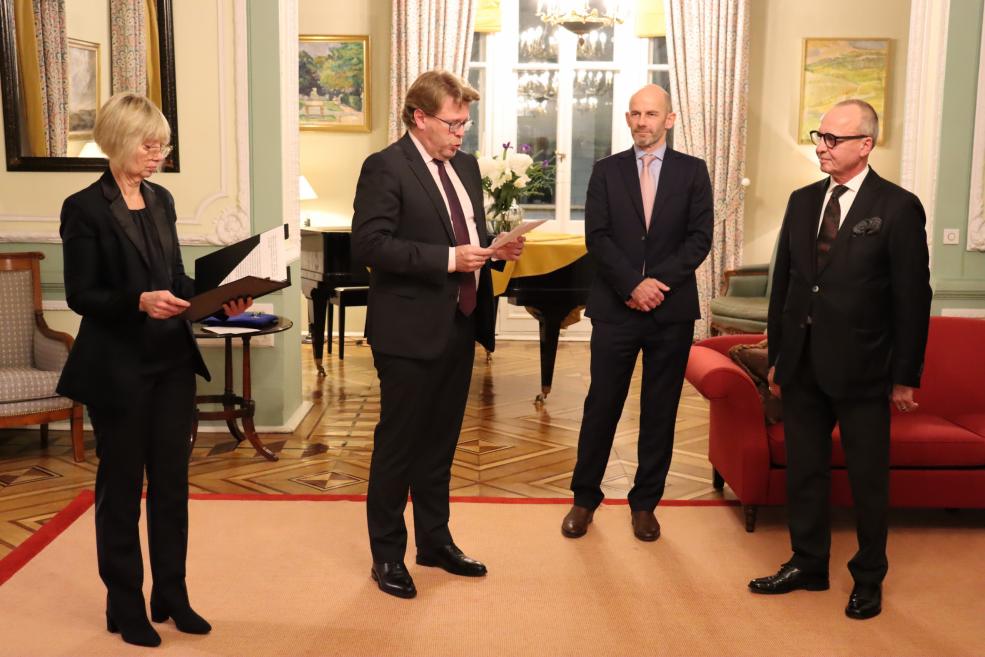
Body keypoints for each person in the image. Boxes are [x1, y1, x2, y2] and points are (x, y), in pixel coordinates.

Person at [57, 93, 250, 647]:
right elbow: (81, 295)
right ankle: (125, 603)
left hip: (171, 364)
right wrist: (138, 301)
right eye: (149, 143)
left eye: (162, 143)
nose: (158, 152)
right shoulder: (84, 207)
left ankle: (171, 593)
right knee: (121, 488)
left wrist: (220, 299)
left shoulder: (162, 200)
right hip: (117, 367)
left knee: (171, 485)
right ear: (118, 140)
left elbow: (177, 281)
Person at [748, 99, 931, 620]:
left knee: (868, 478)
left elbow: (913, 299)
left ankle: (869, 577)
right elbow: (785, 285)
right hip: (802, 365)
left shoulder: (897, 206)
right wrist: (778, 359)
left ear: (865, 144)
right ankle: (808, 563)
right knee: (805, 471)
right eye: (819, 136)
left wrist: (904, 377)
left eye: (833, 138)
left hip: (864, 368)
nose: (821, 147)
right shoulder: (803, 201)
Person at [351, 70, 524, 599]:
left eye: (465, 124)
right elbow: (371, 246)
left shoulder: (466, 168)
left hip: (459, 321)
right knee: (398, 445)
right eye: (452, 124)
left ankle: (434, 540)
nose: (460, 134)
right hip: (406, 328)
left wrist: (495, 250)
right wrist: (449, 260)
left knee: (441, 443)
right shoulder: (385, 167)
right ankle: (387, 556)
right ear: (419, 117)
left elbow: (462, 236)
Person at [561, 84, 713, 542]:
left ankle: (645, 504)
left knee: (660, 409)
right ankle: (584, 499)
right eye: (635, 113)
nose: (642, 121)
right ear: (627, 119)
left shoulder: (693, 172)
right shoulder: (606, 171)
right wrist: (632, 284)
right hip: (616, 308)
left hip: (670, 310)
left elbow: (699, 238)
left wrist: (655, 285)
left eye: (651, 113)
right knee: (601, 405)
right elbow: (598, 237)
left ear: (669, 119)